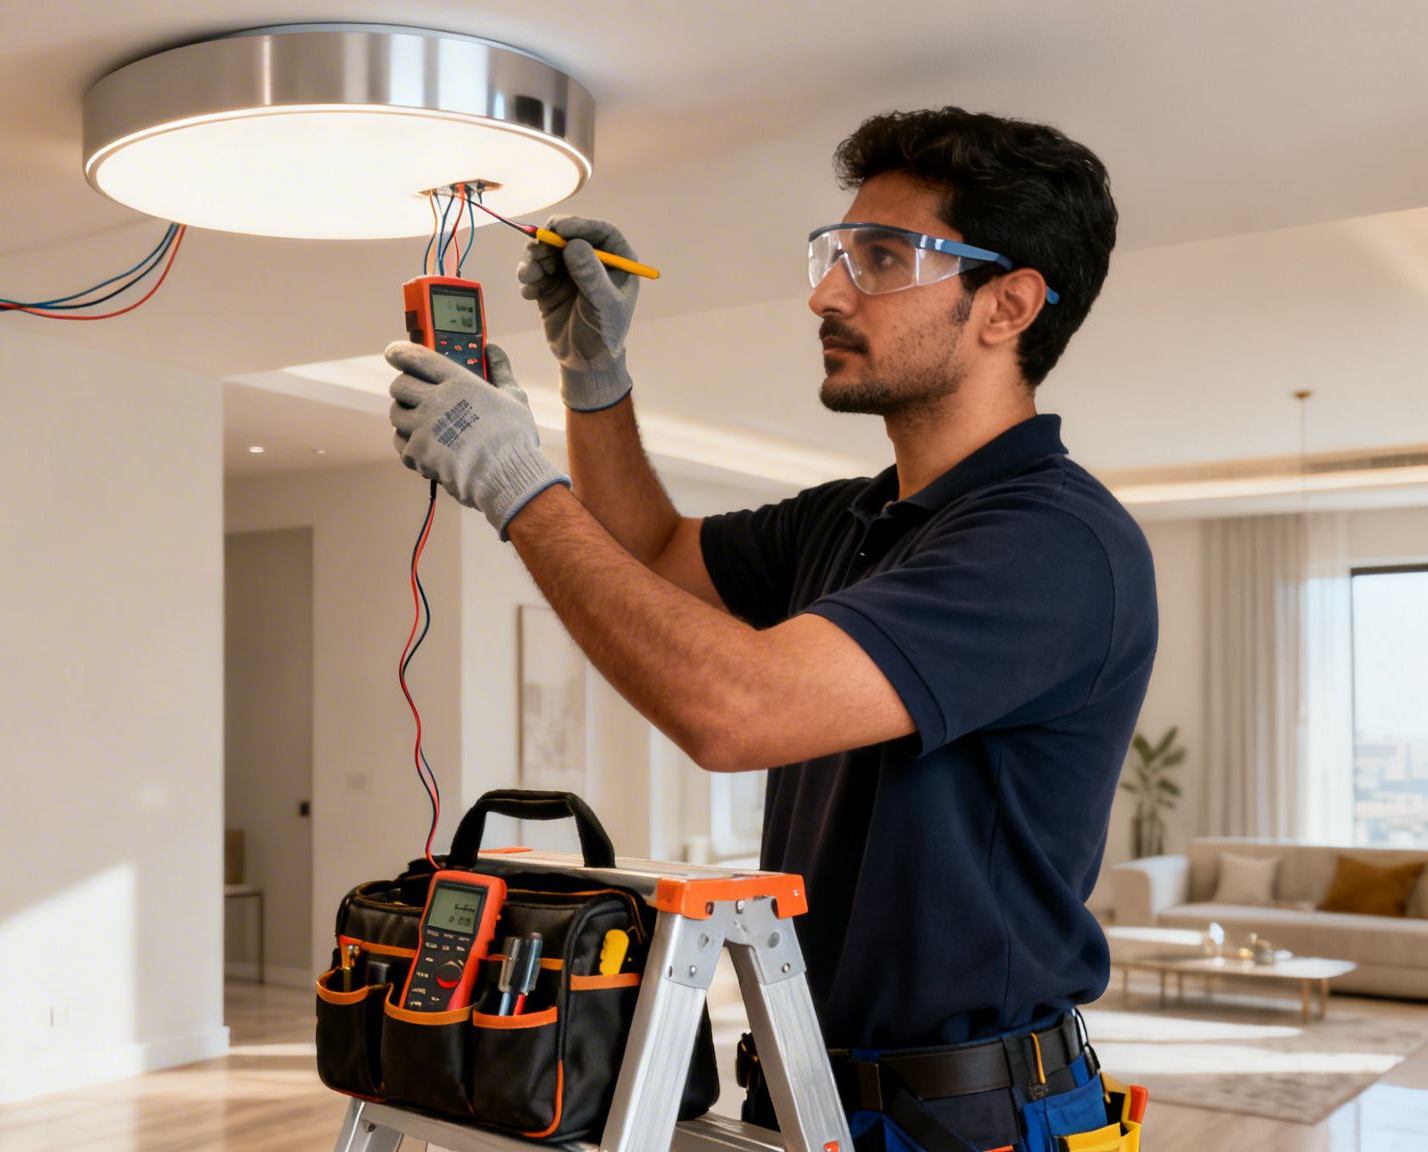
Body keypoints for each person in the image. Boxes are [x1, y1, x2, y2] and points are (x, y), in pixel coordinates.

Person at [383, 107, 1156, 1151]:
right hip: (806, 1085)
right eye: (835, 252)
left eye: (881, 258)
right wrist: (594, 379)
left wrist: (519, 487)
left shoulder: (1050, 543)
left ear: (1005, 305)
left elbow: (733, 710)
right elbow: (650, 553)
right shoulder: (850, 517)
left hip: (972, 1119)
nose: (824, 292)